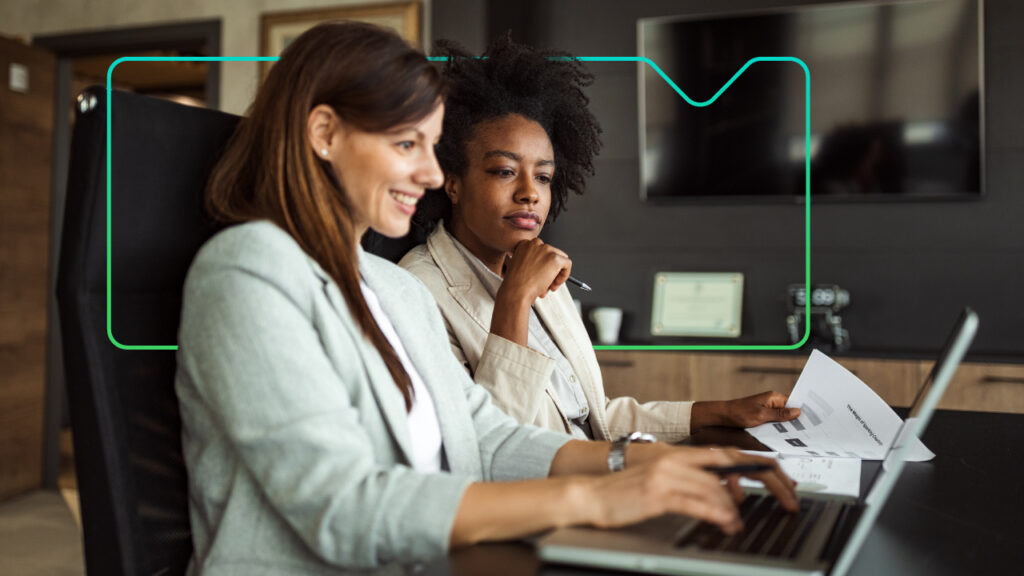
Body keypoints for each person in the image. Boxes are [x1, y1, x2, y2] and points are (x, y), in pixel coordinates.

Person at [175, 22, 797, 574]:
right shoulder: (248, 270)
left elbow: (488, 437)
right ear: (324, 133)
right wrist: (597, 497)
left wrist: (634, 465)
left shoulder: (388, 287)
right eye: (407, 144)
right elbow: (343, 507)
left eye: (432, 145)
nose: (427, 173)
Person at [399, 36, 801, 442]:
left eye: (543, 176)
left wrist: (726, 411)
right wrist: (514, 301)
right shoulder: (414, 291)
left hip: (595, 476)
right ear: (451, 183)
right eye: (505, 171)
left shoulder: (539, 272)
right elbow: (489, 446)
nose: (530, 193)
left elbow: (596, 419)